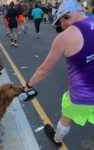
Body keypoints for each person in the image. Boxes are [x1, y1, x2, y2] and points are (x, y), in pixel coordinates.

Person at [23, 0, 94, 147]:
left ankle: (57, 139)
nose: (60, 26)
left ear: (67, 16)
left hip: (81, 95)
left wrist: (28, 86)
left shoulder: (65, 37)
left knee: (66, 117)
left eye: (60, 21)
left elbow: (44, 70)